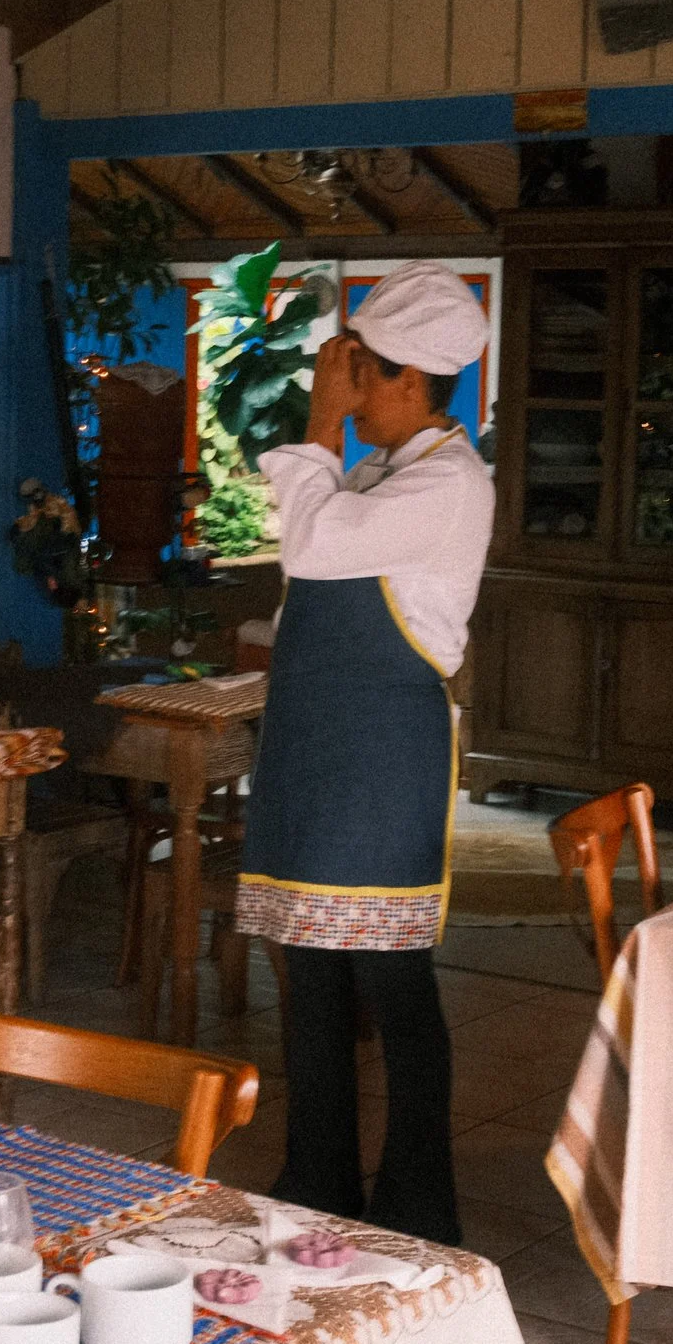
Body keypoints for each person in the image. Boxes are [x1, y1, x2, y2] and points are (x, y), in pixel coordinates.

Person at [237, 260, 494, 1246]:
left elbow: (309, 543)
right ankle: (320, 1174)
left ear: (402, 379)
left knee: (392, 981)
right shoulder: (386, 473)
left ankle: (421, 1197)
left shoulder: (445, 482)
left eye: (357, 371)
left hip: (380, 761)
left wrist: (314, 422)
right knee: (310, 971)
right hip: (321, 752)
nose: (343, 387)